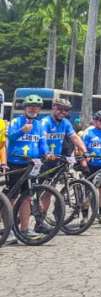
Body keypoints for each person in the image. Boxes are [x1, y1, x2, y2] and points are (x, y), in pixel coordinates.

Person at [5, 94, 51, 235]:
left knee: (27, 198)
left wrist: (47, 153)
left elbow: (42, 143)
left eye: (36, 107)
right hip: (16, 163)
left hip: (32, 165)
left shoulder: (39, 125)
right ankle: (9, 229)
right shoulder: (16, 121)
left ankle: (24, 229)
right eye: (30, 106)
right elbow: (10, 138)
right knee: (11, 198)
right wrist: (21, 131)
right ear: (25, 107)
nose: (33, 109)